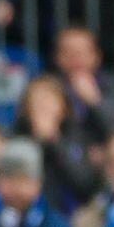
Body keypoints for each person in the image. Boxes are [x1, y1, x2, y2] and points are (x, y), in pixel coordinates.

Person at [16, 73, 101, 213]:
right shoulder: (15, 138)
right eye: (37, 101)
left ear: (64, 108)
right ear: (26, 109)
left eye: (50, 100)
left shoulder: (79, 136)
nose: (44, 106)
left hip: (72, 213)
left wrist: (54, 142)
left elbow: (85, 186)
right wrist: (38, 141)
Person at [53, 25, 114, 151]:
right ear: (58, 58)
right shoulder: (50, 88)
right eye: (69, 52)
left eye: (82, 52)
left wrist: (95, 101)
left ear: (96, 56)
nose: (76, 58)